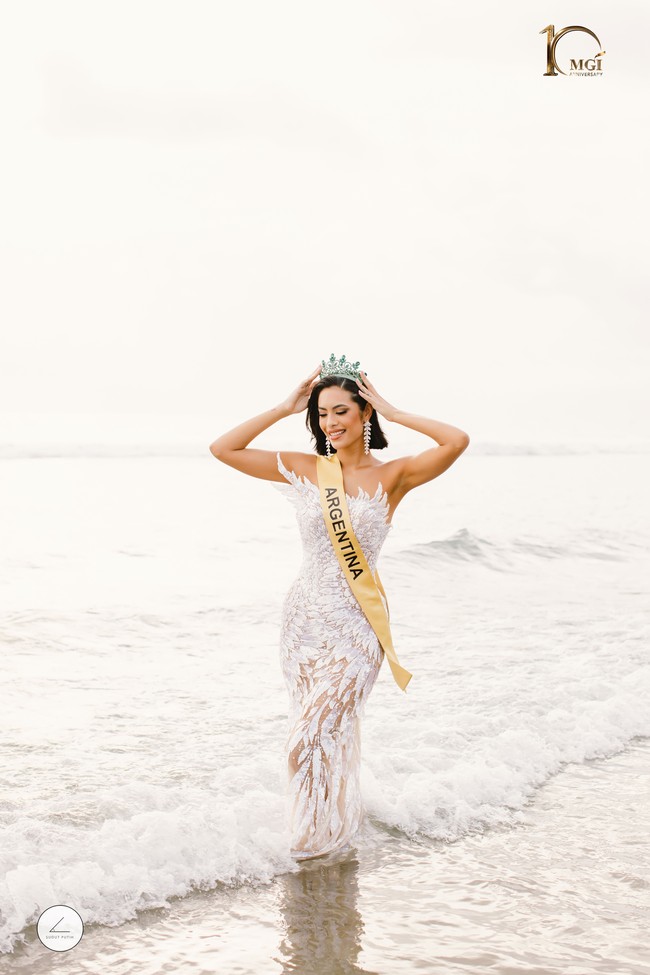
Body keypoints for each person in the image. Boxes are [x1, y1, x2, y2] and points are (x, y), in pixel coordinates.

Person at [209, 355, 469, 860]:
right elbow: (224, 448)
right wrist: (285, 406)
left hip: (356, 629)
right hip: (303, 624)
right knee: (319, 739)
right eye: (322, 414)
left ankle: (311, 847)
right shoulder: (305, 468)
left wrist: (394, 411)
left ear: (363, 413)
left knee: (310, 739)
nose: (331, 423)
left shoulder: (395, 475)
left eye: (341, 412)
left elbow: (455, 440)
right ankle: (324, 840)